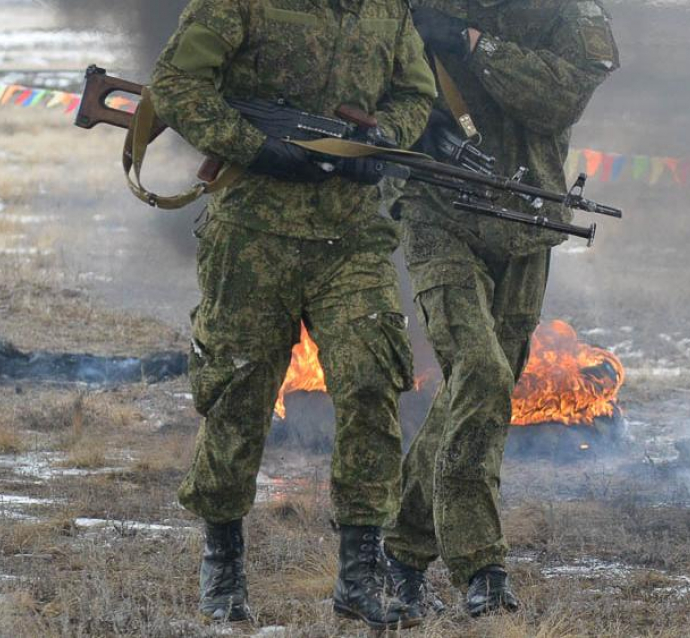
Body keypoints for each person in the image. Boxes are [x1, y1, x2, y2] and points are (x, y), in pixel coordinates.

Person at [149, 0, 436, 629]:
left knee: (370, 382)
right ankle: (222, 563)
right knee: (239, 393)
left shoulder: (388, 9)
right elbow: (175, 83)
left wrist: (380, 139)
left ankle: (360, 575)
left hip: (353, 238)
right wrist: (253, 147)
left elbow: (416, 92)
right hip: (253, 233)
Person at [383, 0, 619, 620]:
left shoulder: (571, 12)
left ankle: (402, 554)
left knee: (481, 390)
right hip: (439, 211)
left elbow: (559, 96)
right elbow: (369, 81)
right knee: (482, 375)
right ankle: (481, 566)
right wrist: (416, 120)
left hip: (526, 219)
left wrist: (472, 42)